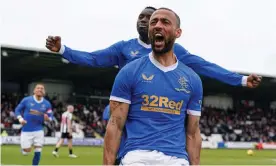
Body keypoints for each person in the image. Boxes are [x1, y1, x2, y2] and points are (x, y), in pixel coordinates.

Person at [45, 6, 261, 89]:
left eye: (150, 18)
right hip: (128, 108)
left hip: (162, 109)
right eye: (141, 17)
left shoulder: (176, 51)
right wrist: (63, 49)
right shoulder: (123, 48)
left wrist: (241, 80)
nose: (145, 21)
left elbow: (205, 67)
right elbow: (93, 59)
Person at [104, 7, 202, 165]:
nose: (157, 25)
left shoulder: (192, 80)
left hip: (176, 159)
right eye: (153, 22)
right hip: (137, 156)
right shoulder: (129, 72)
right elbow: (115, 125)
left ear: (178, 32)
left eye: (165, 22)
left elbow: (193, 133)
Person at [15, 84, 53, 166]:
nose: (40, 89)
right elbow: (17, 110)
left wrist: (48, 119)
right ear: (34, 90)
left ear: (44, 91)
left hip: (39, 129)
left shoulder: (47, 104)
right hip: (26, 130)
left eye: (42, 88)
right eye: (38, 88)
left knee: (38, 149)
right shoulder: (26, 100)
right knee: (27, 150)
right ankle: (24, 149)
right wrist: (20, 119)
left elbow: (51, 117)